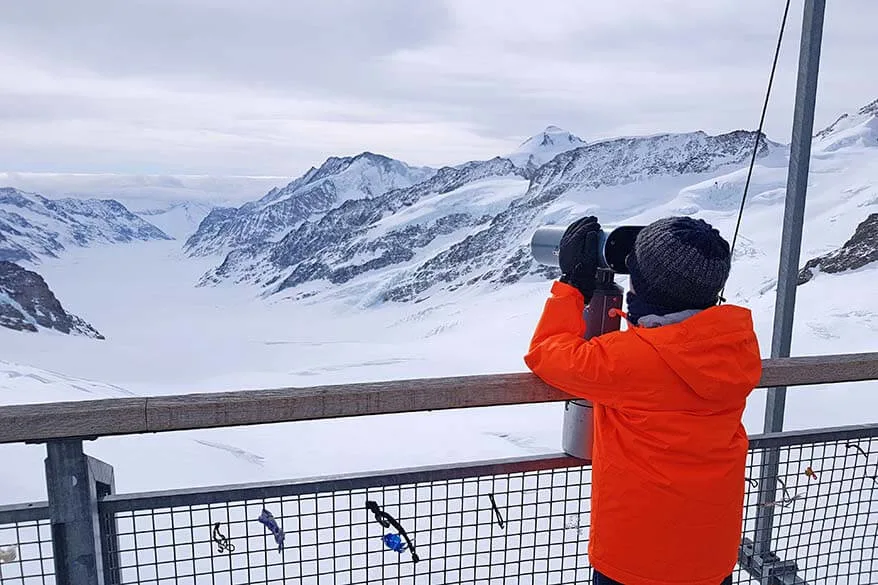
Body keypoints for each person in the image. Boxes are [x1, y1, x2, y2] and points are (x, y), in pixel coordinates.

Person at [524, 216, 762, 585]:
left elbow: (547, 353)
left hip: (635, 560)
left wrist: (572, 287)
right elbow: (675, 344)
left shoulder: (626, 361)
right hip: (710, 555)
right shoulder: (735, 347)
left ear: (643, 288)